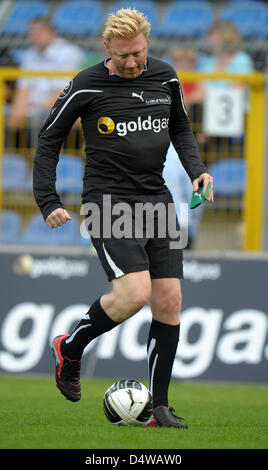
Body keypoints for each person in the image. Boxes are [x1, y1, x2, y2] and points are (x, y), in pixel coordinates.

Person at [33, 8, 214, 428]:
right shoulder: (86, 84)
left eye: (139, 53)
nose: (133, 62)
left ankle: (160, 408)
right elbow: (47, 140)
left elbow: (181, 128)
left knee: (169, 302)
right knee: (134, 294)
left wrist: (198, 170)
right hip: (109, 202)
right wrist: (47, 200)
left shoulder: (166, 76)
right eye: (123, 56)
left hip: (158, 200)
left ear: (147, 43)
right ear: (106, 48)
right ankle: (70, 348)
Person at [8, 16, 84, 133]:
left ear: (52, 32)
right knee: (9, 115)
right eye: (31, 32)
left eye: (38, 31)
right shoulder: (29, 54)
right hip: (33, 109)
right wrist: (18, 108)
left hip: (52, 108)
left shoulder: (69, 53)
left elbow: (64, 92)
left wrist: (37, 110)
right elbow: (23, 88)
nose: (34, 36)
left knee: (45, 118)